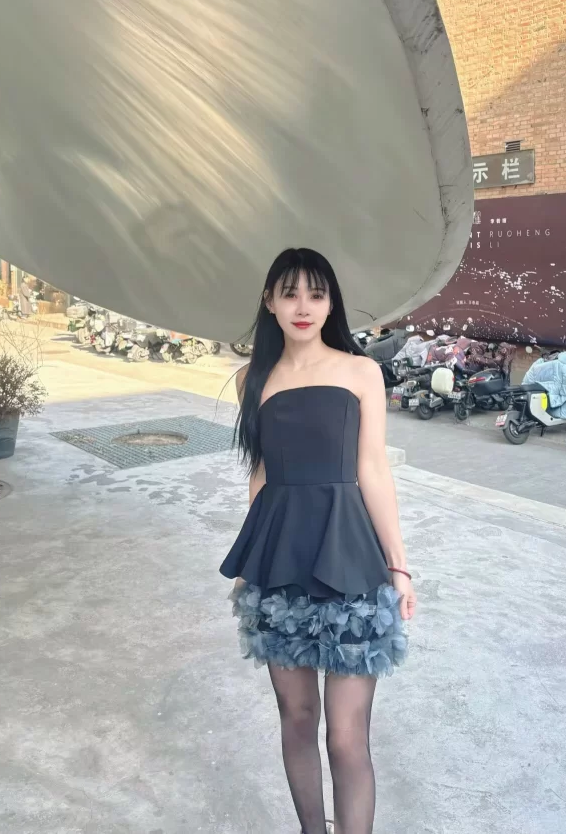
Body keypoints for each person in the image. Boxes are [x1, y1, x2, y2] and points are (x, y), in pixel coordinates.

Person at [220, 248, 416, 834]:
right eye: (290, 294)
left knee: (347, 736)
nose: (303, 306)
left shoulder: (360, 371)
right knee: (297, 718)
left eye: (316, 293)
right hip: (278, 561)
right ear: (269, 302)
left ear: (331, 304)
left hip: (349, 555)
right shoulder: (251, 379)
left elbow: (373, 469)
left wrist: (399, 566)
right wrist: (251, 558)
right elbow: (261, 472)